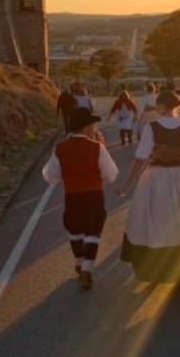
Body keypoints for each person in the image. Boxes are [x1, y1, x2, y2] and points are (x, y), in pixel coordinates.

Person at [117, 89, 180, 283]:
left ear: (162, 106)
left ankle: (159, 270)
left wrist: (126, 184)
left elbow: (141, 158)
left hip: (157, 177)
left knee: (156, 224)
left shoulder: (152, 127)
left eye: (158, 105)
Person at [42, 108, 119, 290]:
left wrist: (68, 175)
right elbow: (112, 174)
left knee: (75, 229)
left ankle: (78, 262)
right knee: (93, 231)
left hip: (72, 195)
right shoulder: (96, 147)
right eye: (93, 124)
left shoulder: (60, 148)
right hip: (94, 195)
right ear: (86, 127)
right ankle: (87, 268)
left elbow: (49, 175)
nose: (95, 127)